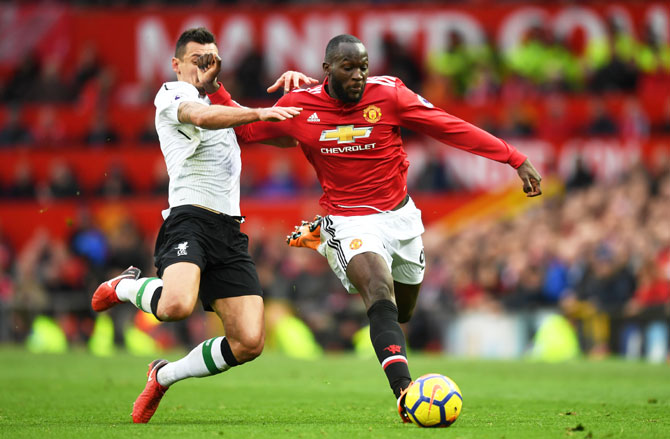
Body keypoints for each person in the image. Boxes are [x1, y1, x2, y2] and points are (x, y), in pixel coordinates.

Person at [208, 34, 542, 422]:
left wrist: (514, 158)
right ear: (327, 70)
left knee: (403, 310)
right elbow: (247, 129)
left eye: (362, 67)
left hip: (400, 218)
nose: (357, 76)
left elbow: (448, 127)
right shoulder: (299, 106)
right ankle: (405, 393)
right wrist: (216, 88)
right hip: (349, 218)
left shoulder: (390, 96)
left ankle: (323, 241)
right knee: (378, 292)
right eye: (348, 68)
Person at [90, 27, 311, 423]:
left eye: (211, 61)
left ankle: (163, 375)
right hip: (188, 218)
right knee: (175, 305)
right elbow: (201, 116)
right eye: (197, 60)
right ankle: (124, 284)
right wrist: (258, 109)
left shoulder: (224, 103)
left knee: (249, 342)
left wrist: (301, 101)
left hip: (228, 229)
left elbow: (283, 140)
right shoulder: (171, 94)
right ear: (176, 64)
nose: (204, 68)